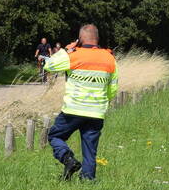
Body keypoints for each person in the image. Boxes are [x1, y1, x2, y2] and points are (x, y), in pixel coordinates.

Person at [43, 24, 118, 181]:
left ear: (80, 39)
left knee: (55, 136)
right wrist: (103, 103)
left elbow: (48, 65)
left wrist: (67, 49)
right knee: (90, 149)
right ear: (97, 38)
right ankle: (88, 180)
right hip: (96, 112)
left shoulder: (73, 55)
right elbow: (112, 89)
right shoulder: (109, 58)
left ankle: (68, 159)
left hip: (73, 110)